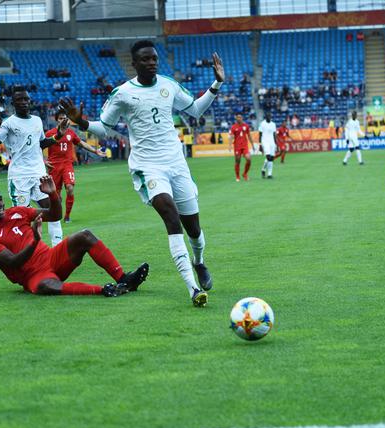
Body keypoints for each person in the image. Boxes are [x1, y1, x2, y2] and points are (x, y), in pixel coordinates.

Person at [60, 40, 224, 307]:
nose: (151, 63)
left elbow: (195, 109)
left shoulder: (168, 85)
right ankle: (193, 288)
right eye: (145, 59)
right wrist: (82, 122)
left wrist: (216, 84)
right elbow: (104, 127)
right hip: (148, 166)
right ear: (134, 64)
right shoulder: (122, 93)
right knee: (171, 218)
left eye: (154, 59)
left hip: (176, 164)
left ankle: (200, 262)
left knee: (193, 227)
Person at [0, 180, 149, 296]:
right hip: (32, 276)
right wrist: (35, 241)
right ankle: (105, 290)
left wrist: (53, 195)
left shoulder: (18, 212)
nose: (1, 204)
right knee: (45, 287)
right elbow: (13, 262)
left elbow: (54, 214)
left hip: (52, 258)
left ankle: (123, 279)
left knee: (85, 235)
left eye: (0, 199)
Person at [0, 86, 69, 247]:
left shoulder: (37, 120)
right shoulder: (8, 123)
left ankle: (57, 249)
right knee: (21, 217)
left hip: (39, 173)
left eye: (26, 99)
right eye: (19, 100)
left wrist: (58, 135)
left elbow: (40, 143)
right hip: (19, 177)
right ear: (13, 103)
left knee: (54, 208)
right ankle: (28, 252)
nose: (24, 102)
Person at [45, 109, 105, 223]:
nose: (63, 120)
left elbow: (82, 143)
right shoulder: (49, 134)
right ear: (57, 120)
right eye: (61, 118)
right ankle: (56, 216)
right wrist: (43, 161)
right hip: (54, 167)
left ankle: (67, 216)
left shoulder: (71, 133)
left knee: (70, 188)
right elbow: (38, 147)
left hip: (67, 165)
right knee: (56, 196)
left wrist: (95, 151)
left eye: (65, 118)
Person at [228, 114, 254, 182]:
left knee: (249, 159)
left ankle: (245, 174)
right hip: (237, 146)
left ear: (242, 118)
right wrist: (230, 145)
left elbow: (249, 135)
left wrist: (252, 144)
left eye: (240, 117)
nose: (239, 118)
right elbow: (231, 136)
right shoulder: (233, 127)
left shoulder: (246, 126)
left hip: (245, 146)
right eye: (238, 117)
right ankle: (237, 176)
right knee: (237, 160)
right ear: (236, 118)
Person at [258, 112, 277, 179]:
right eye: (268, 116)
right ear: (265, 117)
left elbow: (274, 135)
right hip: (265, 142)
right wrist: (260, 144)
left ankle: (263, 169)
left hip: (272, 142)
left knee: (271, 158)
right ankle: (269, 174)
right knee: (268, 157)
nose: (269, 117)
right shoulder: (262, 124)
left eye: (270, 116)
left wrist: (276, 144)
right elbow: (260, 134)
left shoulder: (273, 124)